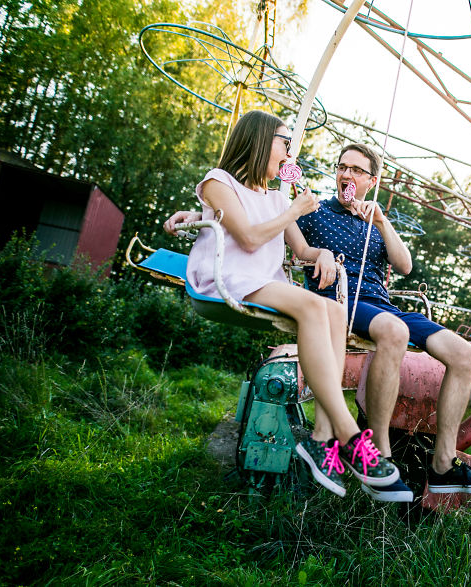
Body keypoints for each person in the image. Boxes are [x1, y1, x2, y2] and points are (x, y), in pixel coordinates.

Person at [167, 143, 471, 503]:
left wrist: (382, 221)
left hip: (383, 304)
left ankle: (443, 466)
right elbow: (257, 217)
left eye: (356, 170)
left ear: (371, 181)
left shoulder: (375, 222)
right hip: (341, 299)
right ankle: (381, 456)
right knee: (395, 331)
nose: (347, 174)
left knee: (463, 354)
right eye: (342, 167)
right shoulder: (316, 211)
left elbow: (404, 265)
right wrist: (199, 212)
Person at [180, 112, 398, 498]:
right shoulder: (219, 181)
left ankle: (321, 440)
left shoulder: (277, 197)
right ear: (261, 141)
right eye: (285, 144)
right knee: (314, 307)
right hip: (231, 277)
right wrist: (294, 210)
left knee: (334, 311)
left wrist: (323, 253)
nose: (289, 154)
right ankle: (349, 435)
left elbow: (302, 248)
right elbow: (248, 237)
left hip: (266, 281)